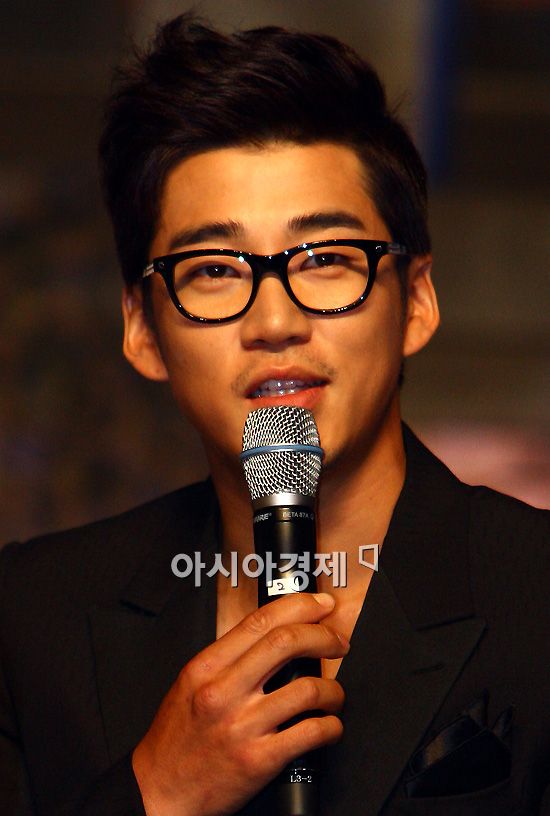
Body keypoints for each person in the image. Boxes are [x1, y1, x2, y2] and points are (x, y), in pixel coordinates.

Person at [1, 12, 548, 816]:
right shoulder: (34, 616)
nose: (275, 320)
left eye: (325, 259)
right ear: (143, 329)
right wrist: (159, 793)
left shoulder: (534, 594)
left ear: (417, 302)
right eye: (215, 270)